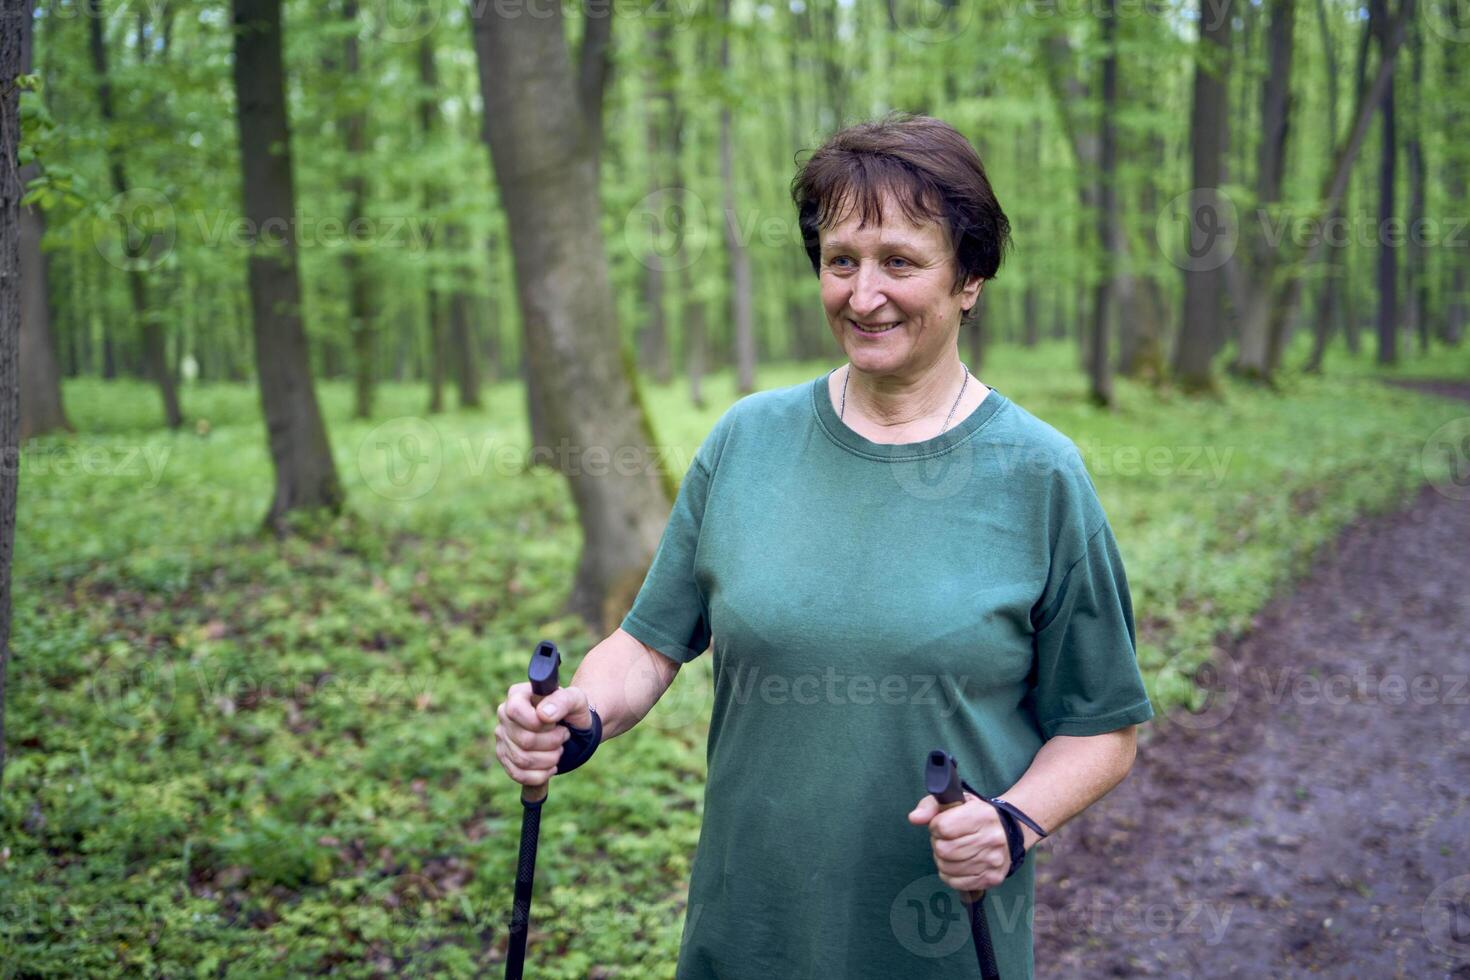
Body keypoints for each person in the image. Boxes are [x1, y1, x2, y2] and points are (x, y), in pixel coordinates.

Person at [494, 113, 1154, 979]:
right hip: (747, 934)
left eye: (901, 262)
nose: (863, 293)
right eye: (841, 260)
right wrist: (578, 714)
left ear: (970, 279)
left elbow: (1103, 726)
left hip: (937, 944)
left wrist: (1012, 822)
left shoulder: (1038, 474)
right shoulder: (746, 441)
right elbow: (649, 646)